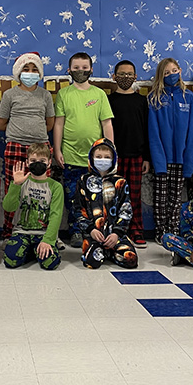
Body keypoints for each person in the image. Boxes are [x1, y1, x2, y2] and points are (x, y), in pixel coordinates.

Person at [54, 52, 114, 248]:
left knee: (96, 199)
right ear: (69, 70)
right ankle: (76, 232)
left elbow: (107, 124)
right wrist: (57, 150)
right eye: (76, 68)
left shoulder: (99, 95)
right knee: (73, 199)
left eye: (84, 67)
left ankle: (96, 231)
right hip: (70, 157)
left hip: (95, 160)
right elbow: (59, 125)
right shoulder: (64, 94)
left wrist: (110, 151)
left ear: (91, 69)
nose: (81, 71)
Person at [0, 52, 55, 238]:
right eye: (26, 69)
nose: (30, 73)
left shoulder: (45, 95)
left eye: (34, 69)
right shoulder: (9, 94)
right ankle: (9, 231)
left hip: (41, 148)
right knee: (13, 187)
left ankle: (42, 229)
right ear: (18, 73)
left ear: (40, 73)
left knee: (41, 188)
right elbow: (0, 123)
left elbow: (50, 123)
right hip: (15, 145)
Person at [147, 57, 193, 241]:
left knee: (176, 198)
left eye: (173, 71)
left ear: (180, 70)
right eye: (166, 73)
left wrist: (189, 160)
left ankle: (173, 231)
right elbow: (153, 133)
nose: (171, 75)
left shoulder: (189, 97)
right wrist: (158, 160)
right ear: (160, 76)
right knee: (160, 198)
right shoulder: (155, 99)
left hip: (181, 158)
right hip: (162, 158)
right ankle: (160, 231)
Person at [75, 138, 138, 270]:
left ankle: (110, 251)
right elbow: (78, 210)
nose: (102, 160)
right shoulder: (83, 181)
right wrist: (90, 229)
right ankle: (101, 251)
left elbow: (126, 210)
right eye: (98, 156)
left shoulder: (120, 182)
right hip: (93, 235)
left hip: (116, 236)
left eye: (107, 157)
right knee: (92, 262)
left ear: (113, 159)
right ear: (91, 158)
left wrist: (116, 233)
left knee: (130, 260)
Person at [107, 59, 150, 247]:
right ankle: (114, 230)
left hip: (136, 156)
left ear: (135, 77)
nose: (126, 77)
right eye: (121, 74)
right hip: (114, 157)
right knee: (112, 195)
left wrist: (147, 157)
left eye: (129, 74)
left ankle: (136, 229)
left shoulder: (142, 101)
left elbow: (147, 130)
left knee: (134, 196)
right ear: (114, 77)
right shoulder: (108, 100)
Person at [2, 142, 63, 270]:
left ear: (49, 163)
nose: (37, 163)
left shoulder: (55, 187)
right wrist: (15, 185)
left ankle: (36, 249)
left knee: (50, 264)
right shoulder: (22, 183)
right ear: (27, 163)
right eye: (33, 160)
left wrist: (48, 240)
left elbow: (56, 216)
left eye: (42, 160)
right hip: (21, 232)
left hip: (43, 233)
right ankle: (31, 251)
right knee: (10, 261)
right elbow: (8, 207)